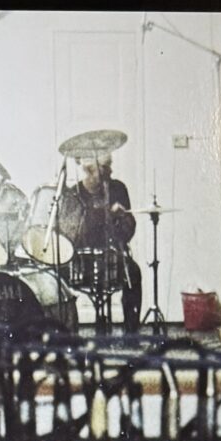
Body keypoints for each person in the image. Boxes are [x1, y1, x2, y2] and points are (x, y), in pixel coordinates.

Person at [55, 130, 142, 330]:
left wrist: (124, 218)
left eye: (109, 165)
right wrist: (105, 213)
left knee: (134, 272)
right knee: (56, 278)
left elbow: (128, 233)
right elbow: (72, 235)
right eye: (105, 166)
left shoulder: (118, 189)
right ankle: (70, 333)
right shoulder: (73, 194)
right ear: (89, 169)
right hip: (80, 263)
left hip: (113, 259)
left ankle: (132, 332)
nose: (110, 170)